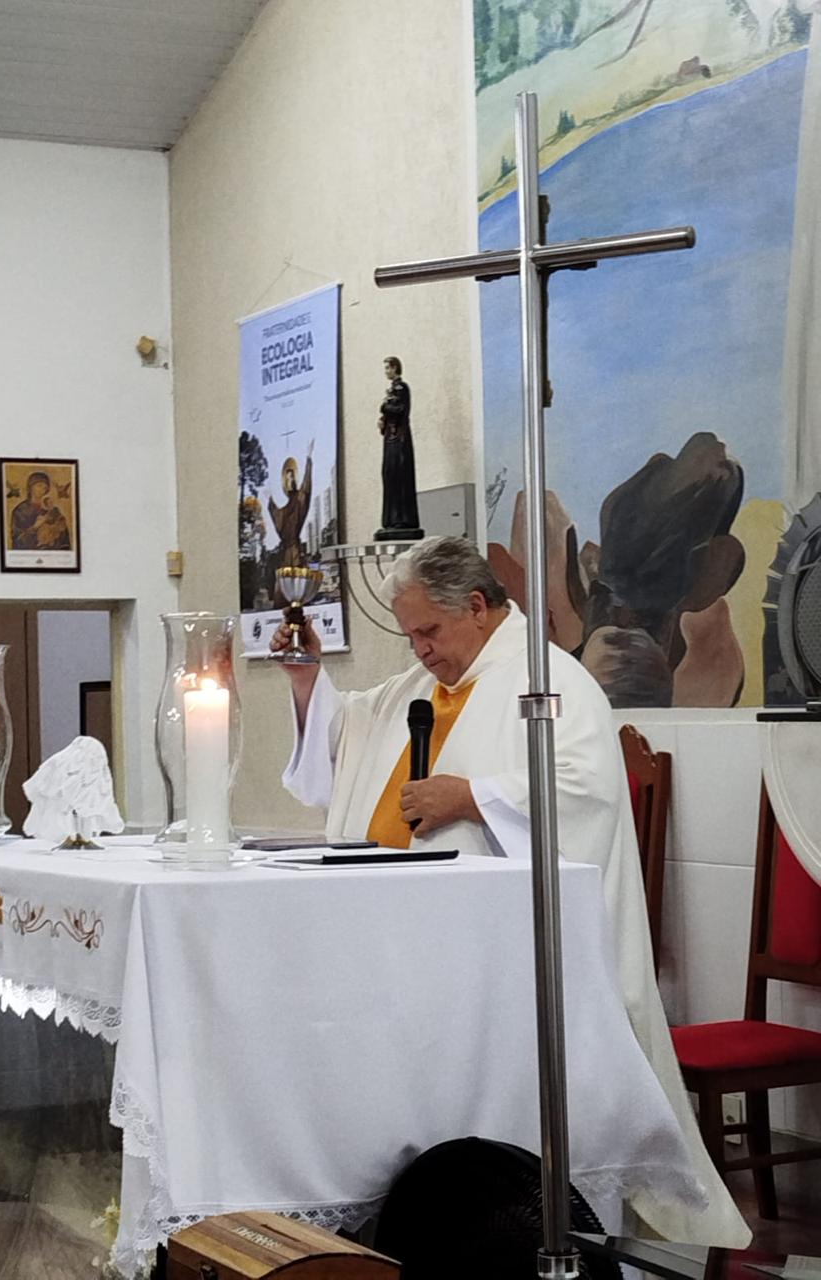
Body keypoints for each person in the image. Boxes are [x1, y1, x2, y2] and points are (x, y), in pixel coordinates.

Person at [271, 534, 749, 1249]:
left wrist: (473, 796)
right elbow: (348, 737)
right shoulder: (421, 686)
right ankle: (415, 1220)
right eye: (411, 637)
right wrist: (307, 681)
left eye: (430, 632)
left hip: (502, 962)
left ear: (476, 606)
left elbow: (584, 793)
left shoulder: (550, 681)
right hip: (400, 940)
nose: (421, 651)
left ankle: (516, 1223)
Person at [376, 356, 421, 538]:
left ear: (395, 368)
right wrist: (383, 421)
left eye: (388, 368)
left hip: (399, 440)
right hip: (390, 439)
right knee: (389, 475)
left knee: (399, 476)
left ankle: (402, 519)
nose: (386, 371)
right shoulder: (392, 390)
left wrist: (384, 407)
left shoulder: (402, 388)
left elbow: (401, 410)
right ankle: (391, 519)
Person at [266, 440, 314, 568]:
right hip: (286, 554)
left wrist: (308, 459)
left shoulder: (299, 498)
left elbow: (306, 485)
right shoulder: (286, 508)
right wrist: (270, 501)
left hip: (295, 551)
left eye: (292, 477)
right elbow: (279, 520)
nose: (290, 480)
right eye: (287, 478)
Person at [10, 471, 71, 551]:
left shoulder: (53, 510)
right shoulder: (20, 511)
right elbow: (17, 542)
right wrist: (35, 527)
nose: (42, 490)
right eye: (39, 486)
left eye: (45, 487)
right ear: (30, 488)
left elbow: (64, 540)